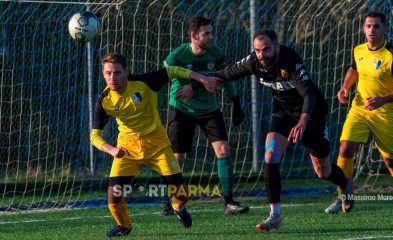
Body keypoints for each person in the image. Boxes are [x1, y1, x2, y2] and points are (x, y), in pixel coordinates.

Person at [192, 29, 354, 232]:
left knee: (323, 171)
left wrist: (303, 121)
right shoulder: (253, 62)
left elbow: (309, 93)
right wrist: (196, 85)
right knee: (270, 154)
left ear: (276, 47)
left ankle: (346, 186)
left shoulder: (290, 60)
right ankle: (275, 215)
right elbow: (225, 74)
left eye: (266, 49)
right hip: (283, 113)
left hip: (311, 114)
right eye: (258, 50)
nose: (262, 54)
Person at [90, 53, 219, 237]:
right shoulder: (104, 100)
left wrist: (202, 78)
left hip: (157, 146)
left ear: (126, 72)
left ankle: (177, 206)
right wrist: (111, 149)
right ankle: (124, 226)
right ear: (103, 74)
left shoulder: (144, 83)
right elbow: (94, 136)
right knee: (113, 198)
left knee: (182, 194)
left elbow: (172, 71)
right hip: (127, 150)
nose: (113, 78)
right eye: (108, 73)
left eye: (117, 73)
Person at [160, 16, 249, 216]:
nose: (211, 37)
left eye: (211, 32)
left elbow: (224, 76)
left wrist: (236, 102)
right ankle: (171, 200)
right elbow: (161, 83)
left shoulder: (216, 53)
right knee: (177, 157)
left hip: (209, 109)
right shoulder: (177, 56)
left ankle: (229, 202)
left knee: (223, 149)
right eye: (206, 34)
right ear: (193, 36)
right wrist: (155, 112)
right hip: (181, 110)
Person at [325, 11, 393, 214]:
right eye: (368, 26)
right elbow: (354, 69)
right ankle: (343, 195)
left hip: (387, 113)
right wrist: (345, 88)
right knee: (345, 149)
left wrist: (383, 99)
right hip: (360, 108)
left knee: (391, 161)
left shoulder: (391, 55)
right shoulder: (358, 49)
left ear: (385, 29)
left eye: (376, 26)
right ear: (363, 28)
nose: (371, 30)